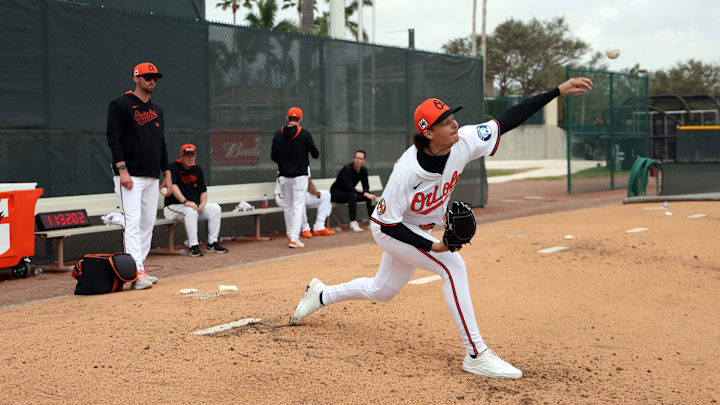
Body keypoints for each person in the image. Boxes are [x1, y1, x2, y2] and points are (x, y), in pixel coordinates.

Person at [290, 77, 594, 378]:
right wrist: (434, 246)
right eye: (445, 121)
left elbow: (505, 120)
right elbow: (387, 222)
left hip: (416, 225)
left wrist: (556, 91)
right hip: (391, 228)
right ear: (428, 132)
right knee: (452, 265)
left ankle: (321, 295)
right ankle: (476, 353)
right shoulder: (407, 172)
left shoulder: (463, 141)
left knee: (382, 290)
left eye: (451, 117)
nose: (453, 124)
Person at [106, 62, 173, 290]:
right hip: (130, 176)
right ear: (136, 78)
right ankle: (134, 272)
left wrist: (167, 174)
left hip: (152, 176)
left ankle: (139, 268)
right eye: (147, 77)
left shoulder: (157, 111)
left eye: (154, 78)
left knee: (147, 224)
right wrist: (122, 169)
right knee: (132, 223)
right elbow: (113, 139)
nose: (151, 81)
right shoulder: (120, 104)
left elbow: (161, 143)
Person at [163, 144, 228, 257]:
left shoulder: (198, 169)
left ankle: (212, 243)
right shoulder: (173, 167)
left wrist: (202, 204)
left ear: (195, 156)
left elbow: (203, 191)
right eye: (187, 155)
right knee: (190, 211)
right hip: (173, 207)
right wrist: (185, 202)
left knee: (215, 209)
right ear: (181, 156)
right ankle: (193, 246)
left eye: (192, 155)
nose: (189, 158)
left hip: (192, 206)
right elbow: (173, 187)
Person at [271, 107, 320, 248]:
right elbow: (315, 154)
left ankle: (290, 235)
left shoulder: (277, 134)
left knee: (288, 206)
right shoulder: (304, 134)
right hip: (300, 176)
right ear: (300, 119)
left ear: (287, 118)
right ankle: (294, 238)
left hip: (283, 176)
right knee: (298, 206)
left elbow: (273, 157)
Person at [274, 168, 335, 239]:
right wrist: (315, 193)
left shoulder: (305, 163)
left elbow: (309, 183)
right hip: (283, 197)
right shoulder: (286, 163)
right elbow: (308, 186)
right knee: (300, 200)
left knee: (326, 195)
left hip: (298, 195)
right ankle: (305, 229)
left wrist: (315, 193)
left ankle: (319, 226)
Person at [330, 150, 377, 232]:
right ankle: (353, 223)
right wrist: (364, 193)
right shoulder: (347, 169)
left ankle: (372, 221)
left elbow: (366, 187)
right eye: (356, 158)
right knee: (353, 195)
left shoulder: (363, 170)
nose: (358, 160)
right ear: (353, 159)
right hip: (336, 194)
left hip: (349, 193)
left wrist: (366, 193)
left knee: (371, 197)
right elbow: (349, 188)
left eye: (360, 158)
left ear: (364, 161)